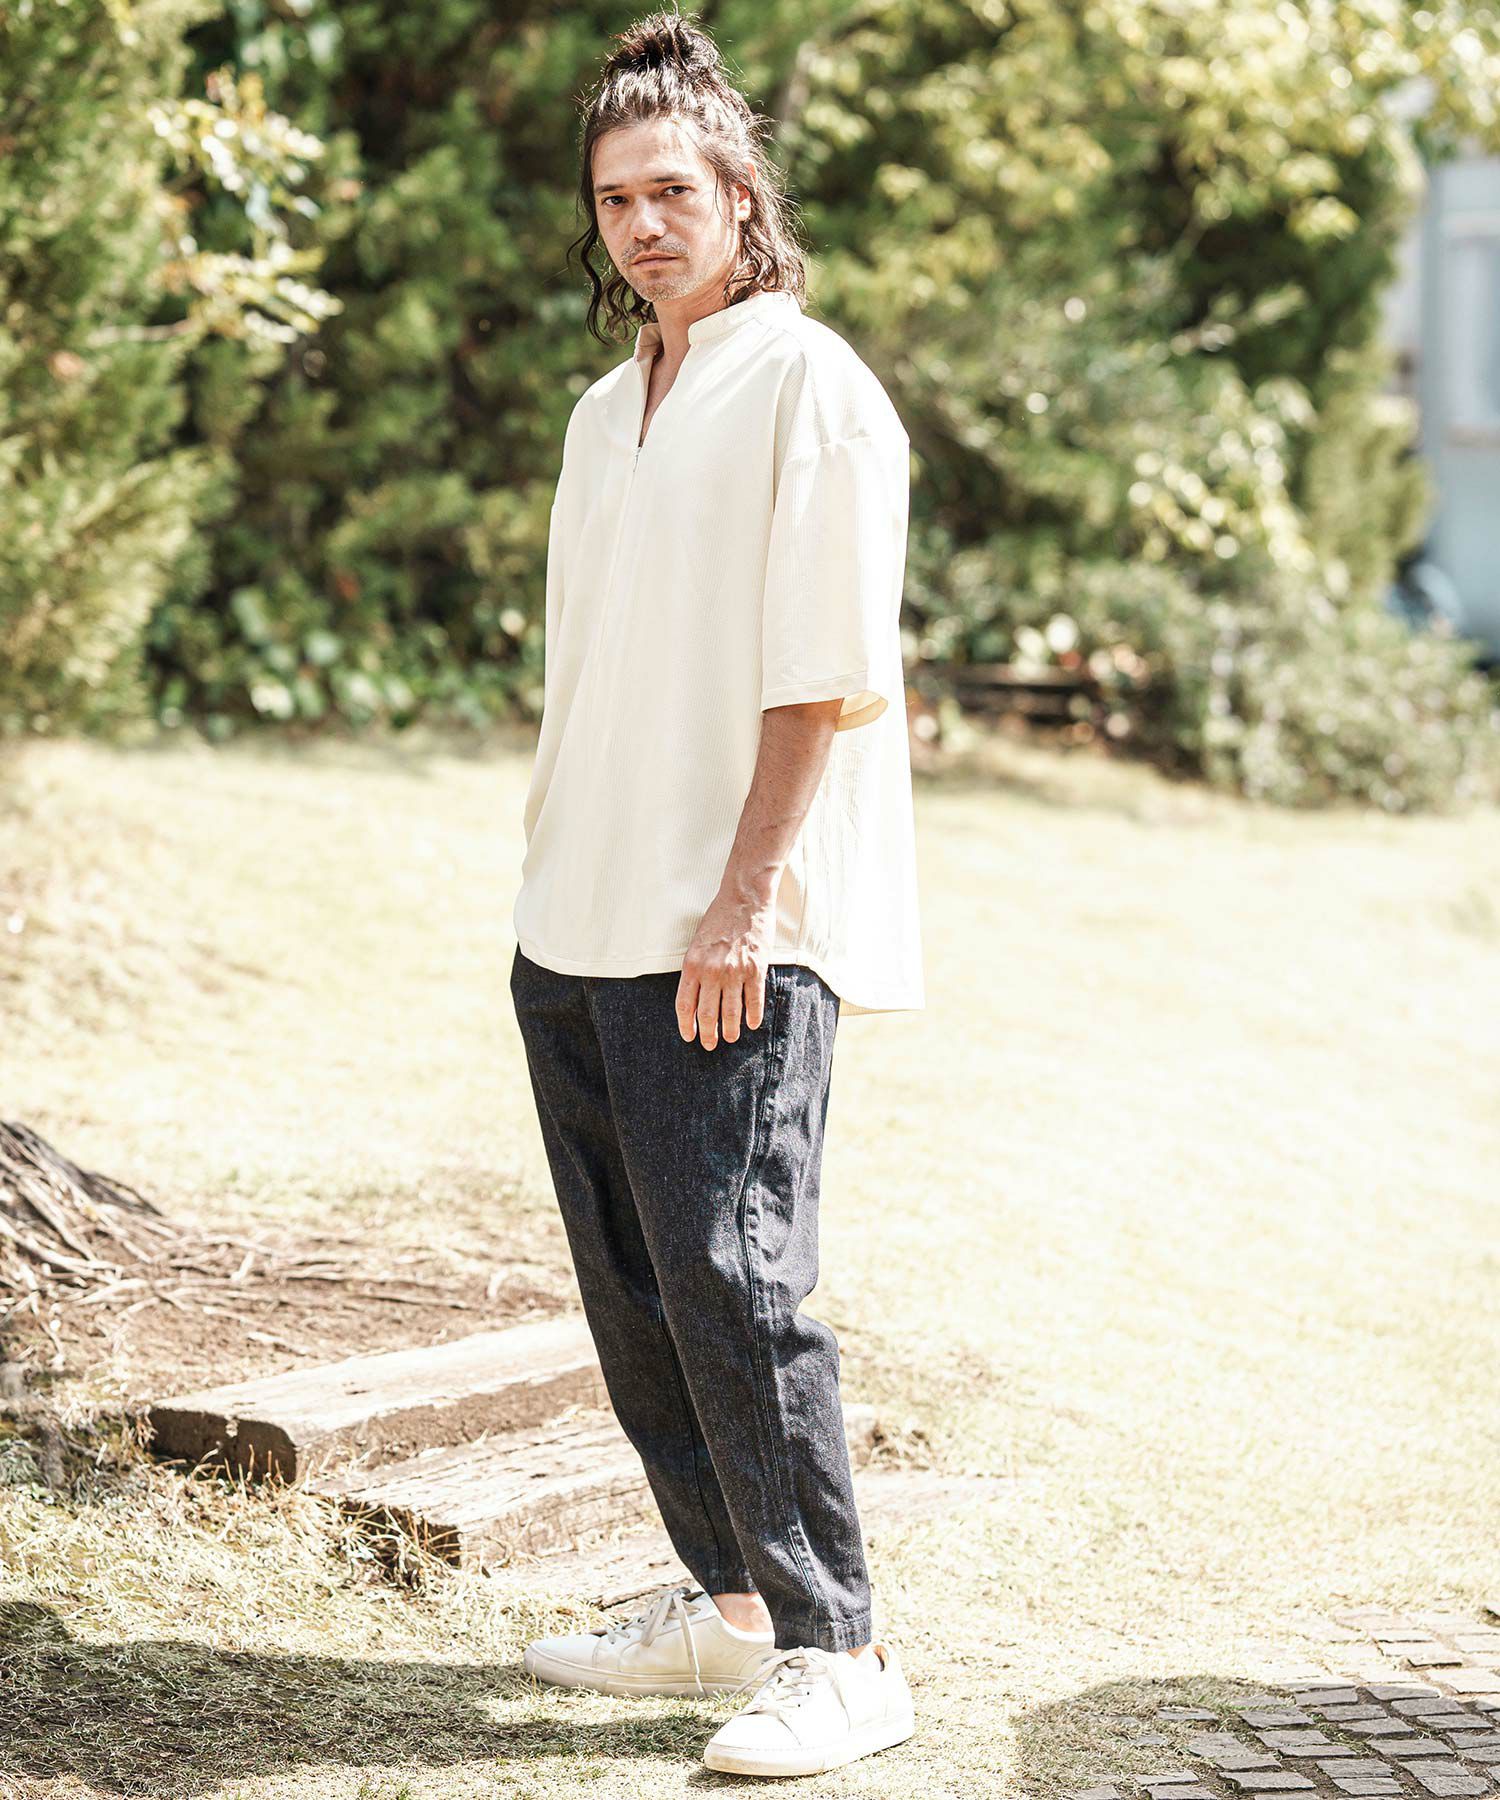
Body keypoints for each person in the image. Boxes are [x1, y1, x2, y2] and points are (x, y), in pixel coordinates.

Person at [507, 8, 924, 1779]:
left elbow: (821, 677)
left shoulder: (810, 387)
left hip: (727, 927)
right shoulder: (607, 412)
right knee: (640, 1290)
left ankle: (843, 1652)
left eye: (673, 189)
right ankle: (734, 1608)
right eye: (616, 199)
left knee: (739, 1282)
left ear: (742, 193)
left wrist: (744, 903)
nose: (644, 225)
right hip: (576, 919)